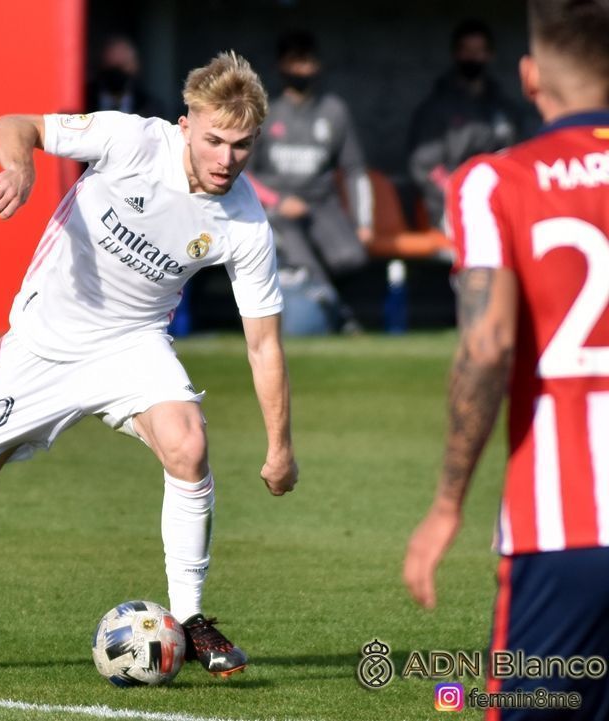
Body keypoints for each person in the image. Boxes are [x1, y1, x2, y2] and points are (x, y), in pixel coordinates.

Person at [0, 52, 299, 676]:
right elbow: (17, 124)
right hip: (43, 343)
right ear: (185, 125)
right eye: (214, 141)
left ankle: (191, 618)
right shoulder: (131, 140)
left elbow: (264, 345)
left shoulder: (246, 223)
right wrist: (20, 167)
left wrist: (280, 448)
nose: (226, 158)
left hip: (132, 344)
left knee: (188, 444)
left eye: (242, 145)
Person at [404, 1, 609, 717]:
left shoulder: (496, 181)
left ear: (529, 76)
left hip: (564, 527)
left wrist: (446, 505)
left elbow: (487, 347)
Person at [247, 30, 373, 333]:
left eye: (307, 62)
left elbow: (355, 170)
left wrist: (364, 222)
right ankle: (338, 314)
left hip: (321, 204)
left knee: (351, 257)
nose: (301, 70)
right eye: (294, 62)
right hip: (275, 209)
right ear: (281, 66)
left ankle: (328, 304)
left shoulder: (334, 110)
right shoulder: (265, 111)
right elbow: (243, 173)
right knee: (301, 255)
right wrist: (278, 201)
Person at [408, 19, 527, 227]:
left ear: (489, 55)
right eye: (467, 51)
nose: (473, 57)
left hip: (500, 202)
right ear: (456, 54)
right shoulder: (437, 107)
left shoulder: (503, 107)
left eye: (479, 51)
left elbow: (517, 157)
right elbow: (425, 165)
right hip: (451, 206)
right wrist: (462, 195)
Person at [84, 35, 168, 119]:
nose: (117, 75)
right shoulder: (83, 101)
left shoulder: (150, 108)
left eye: (123, 66)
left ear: (136, 66)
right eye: (112, 67)